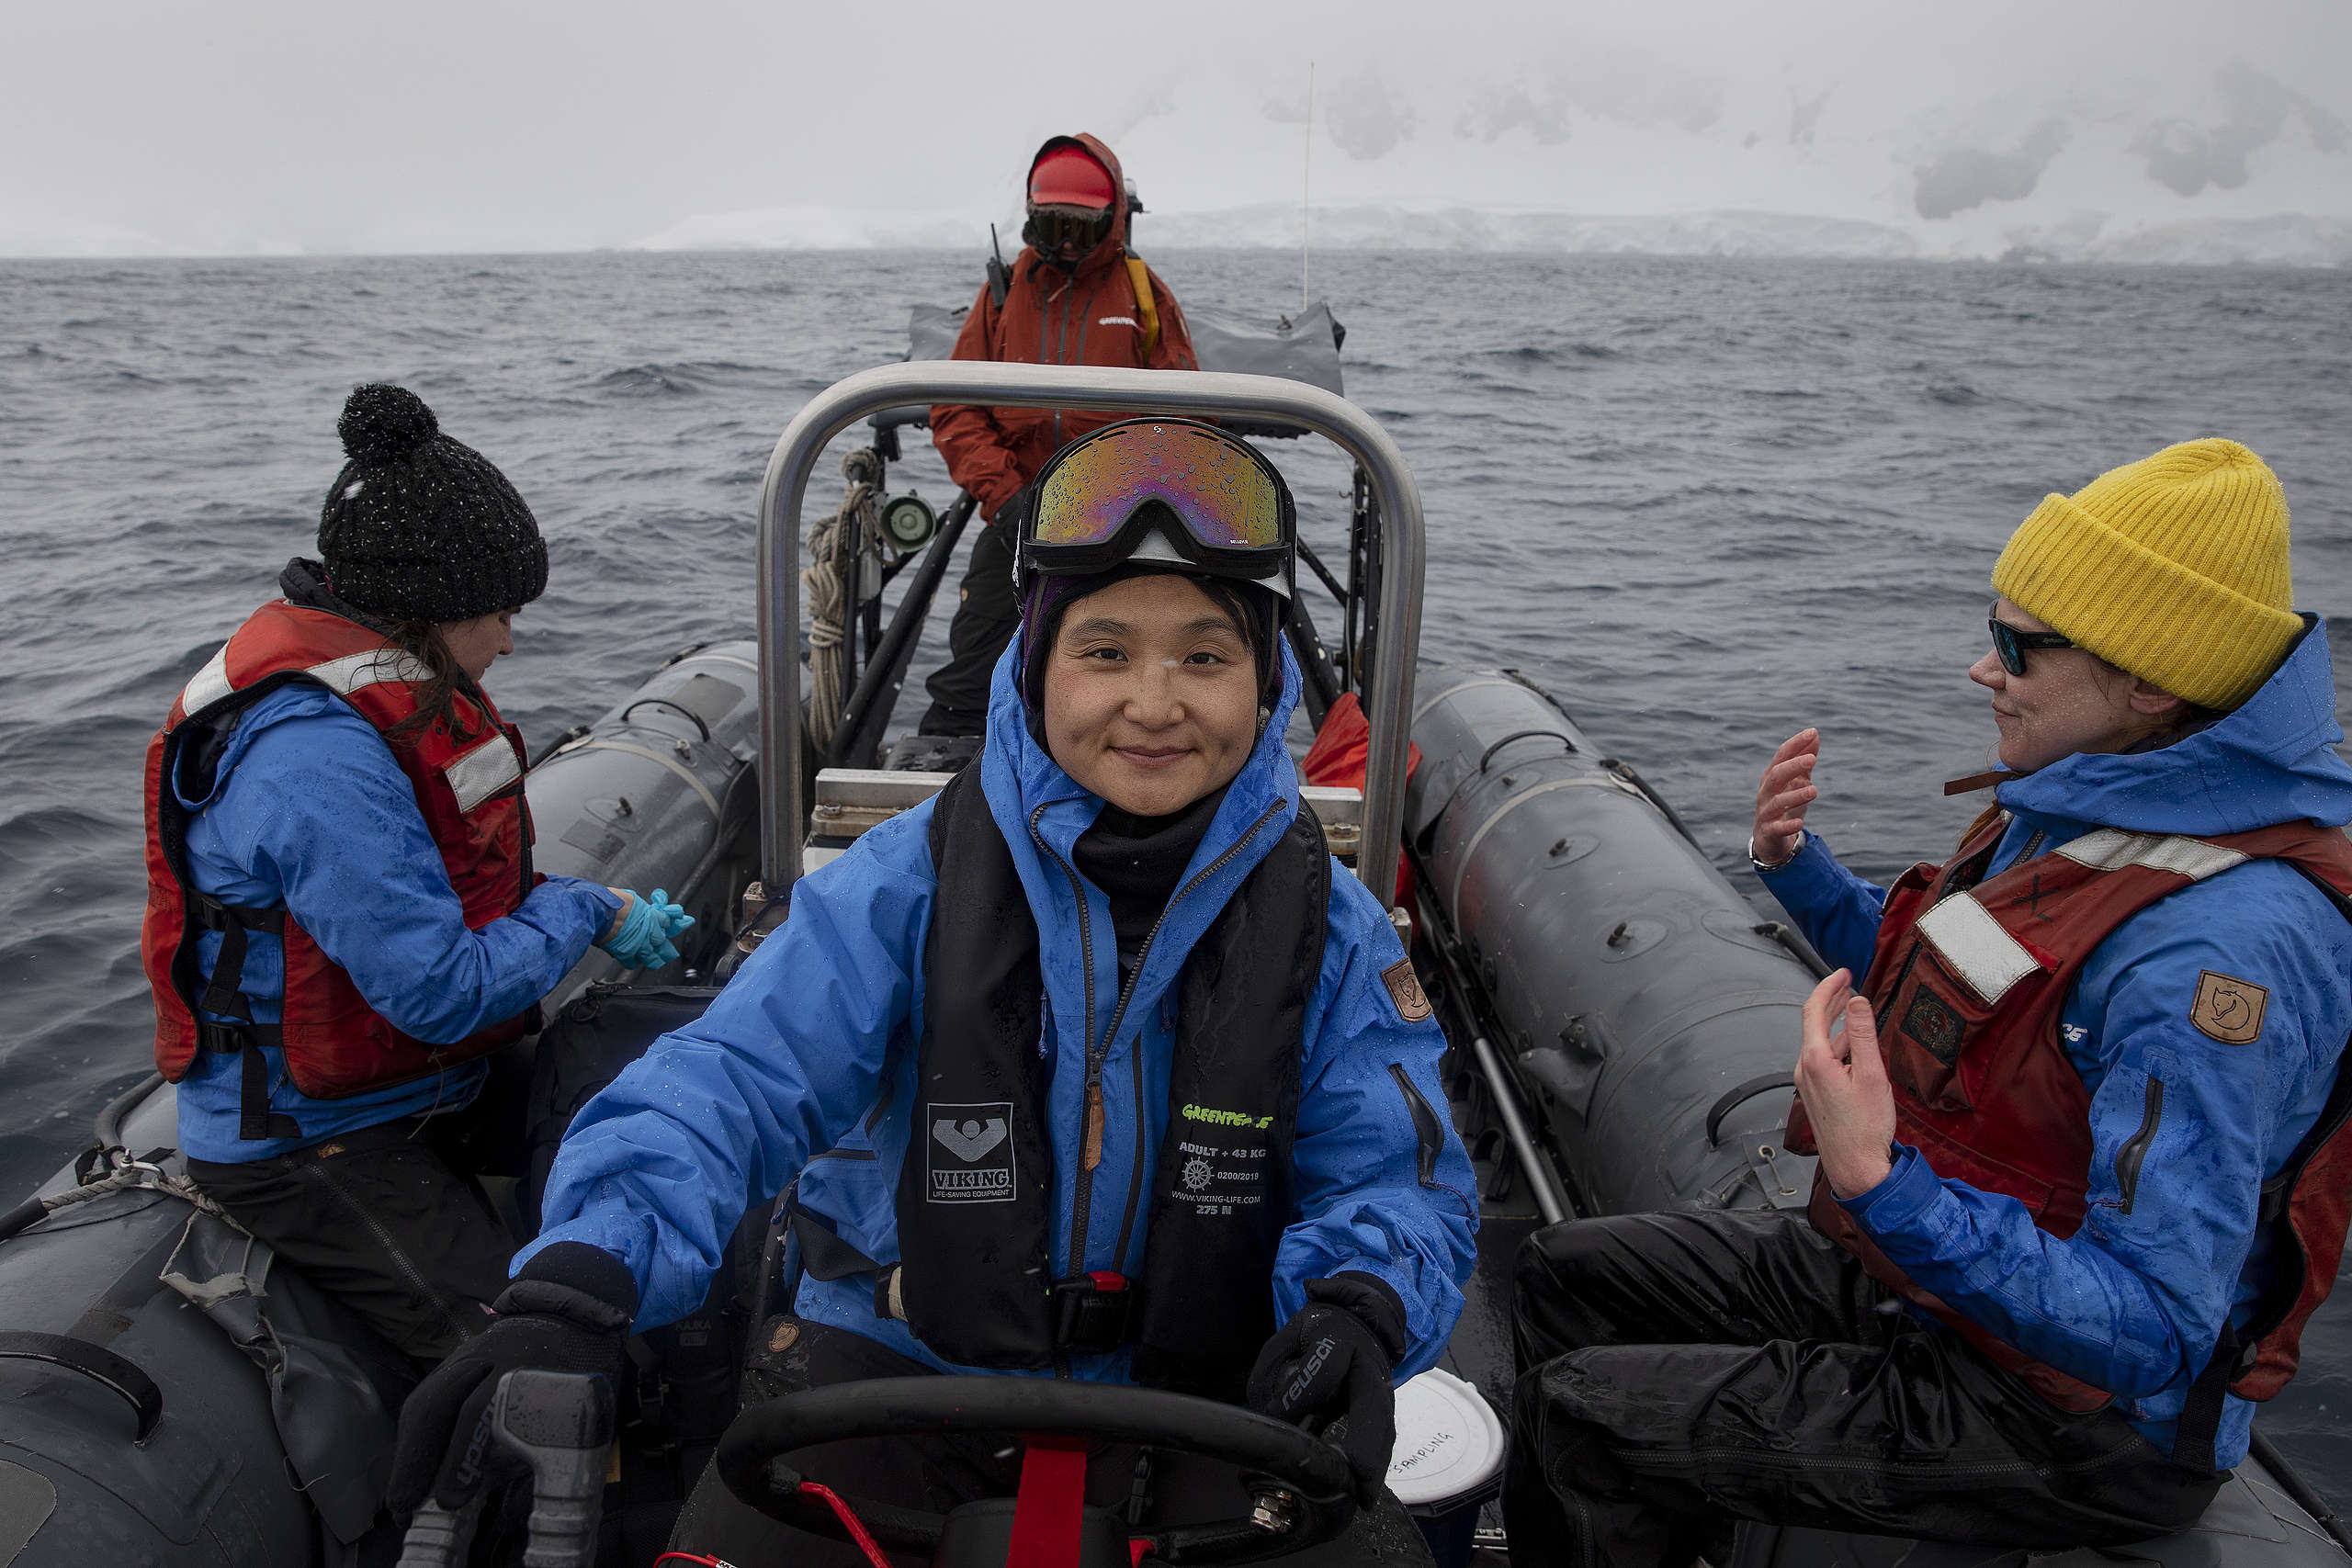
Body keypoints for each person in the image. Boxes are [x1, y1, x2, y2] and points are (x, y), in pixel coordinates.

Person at [388, 419, 1478, 1561]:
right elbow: (736, 1080)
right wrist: (583, 1272)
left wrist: (1359, 1302)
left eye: (1205, 657)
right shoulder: (902, 883)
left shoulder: (1333, 928)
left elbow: (1394, 1171)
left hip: (1221, 1394)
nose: (1154, 703)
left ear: (1262, 680)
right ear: (1032, 661)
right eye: (1104, 651)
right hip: (897, 1372)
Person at [1507, 438, 2352, 1565]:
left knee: (1578, 1415)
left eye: (2017, 645)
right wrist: (1798, 869)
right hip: (1948, 1293)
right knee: (1563, 1273)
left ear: (2150, 679)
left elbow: (2150, 1329)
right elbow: (1966, 993)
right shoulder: (2081, 805)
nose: (1980, 668)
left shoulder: (2215, 959)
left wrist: (1877, 1181)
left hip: (2074, 1423)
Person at [143, 383, 693, 1367]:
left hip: (425, 1084)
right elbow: (437, 991)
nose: (509, 641)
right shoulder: (316, 757)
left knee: (662, 1117)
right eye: (498, 613)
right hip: (308, 1138)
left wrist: (577, 913)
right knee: (545, 1359)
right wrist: (582, 909)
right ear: (430, 613)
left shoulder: (395, 687)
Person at [917, 133, 1200, 742]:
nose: (1068, 243)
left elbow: (1187, 415)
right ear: (1030, 220)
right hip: (1016, 508)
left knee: (1132, 665)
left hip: (1120, 518)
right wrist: (1007, 496)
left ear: (1113, 221)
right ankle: (952, 796)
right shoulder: (1003, 294)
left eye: (1081, 226)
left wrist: (1124, 498)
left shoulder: (1143, 293)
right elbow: (957, 404)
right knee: (972, 671)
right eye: (1053, 226)